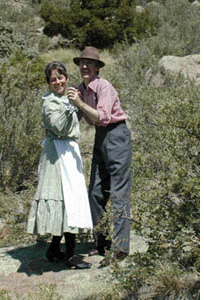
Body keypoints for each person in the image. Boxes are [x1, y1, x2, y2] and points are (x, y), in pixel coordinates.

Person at [67, 46, 132, 267]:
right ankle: (101, 242)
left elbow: (103, 117)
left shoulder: (104, 87)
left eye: (90, 64)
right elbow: (74, 115)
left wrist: (79, 104)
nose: (85, 67)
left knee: (119, 192)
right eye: (82, 63)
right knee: (95, 192)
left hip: (116, 135)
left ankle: (121, 248)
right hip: (100, 138)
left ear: (97, 68)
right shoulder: (80, 89)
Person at [27, 61, 93, 269]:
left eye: (60, 77)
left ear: (66, 77)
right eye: (53, 79)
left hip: (67, 151)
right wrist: (72, 106)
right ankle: (71, 255)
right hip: (57, 153)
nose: (58, 82)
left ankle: (54, 248)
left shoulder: (65, 99)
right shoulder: (50, 103)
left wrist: (77, 103)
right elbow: (58, 125)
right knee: (66, 200)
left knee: (68, 200)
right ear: (48, 82)